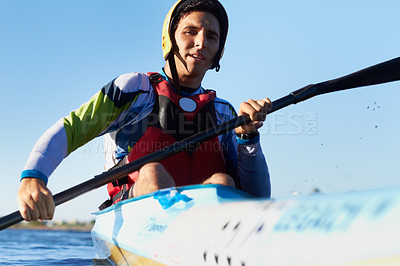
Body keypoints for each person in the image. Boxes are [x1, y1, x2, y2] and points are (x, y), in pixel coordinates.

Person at [17, 0, 272, 221]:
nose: (201, 43)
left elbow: (257, 197)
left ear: (219, 52)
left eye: (212, 37)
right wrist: (34, 177)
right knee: (152, 173)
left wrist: (248, 137)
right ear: (170, 39)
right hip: (133, 214)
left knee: (223, 183)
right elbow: (72, 128)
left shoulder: (223, 113)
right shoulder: (134, 91)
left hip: (203, 223)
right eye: (190, 32)